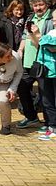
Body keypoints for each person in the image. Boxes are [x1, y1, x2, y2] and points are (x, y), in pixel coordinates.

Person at [17, 0, 52, 128]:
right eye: (35, 5)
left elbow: (47, 42)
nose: (38, 8)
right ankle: (31, 117)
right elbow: (25, 36)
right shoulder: (31, 17)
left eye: (41, 5)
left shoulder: (50, 19)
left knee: (46, 94)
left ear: (47, 5)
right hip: (28, 61)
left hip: (43, 61)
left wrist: (37, 34)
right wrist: (20, 50)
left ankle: (50, 123)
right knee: (22, 87)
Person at [36, 9, 56, 140]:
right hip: (45, 70)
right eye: (53, 19)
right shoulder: (52, 32)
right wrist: (40, 37)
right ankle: (50, 125)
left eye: (55, 19)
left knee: (53, 99)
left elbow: (52, 46)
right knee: (46, 99)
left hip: (53, 71)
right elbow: (41, 42)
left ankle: (53, 127)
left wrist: (41, 37)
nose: (53, 22)